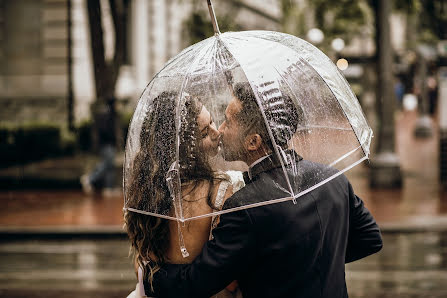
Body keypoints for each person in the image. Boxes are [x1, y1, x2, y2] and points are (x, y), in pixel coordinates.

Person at [144, 82, 383, 297]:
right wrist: (316, 260)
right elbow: (370, 238)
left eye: (228, 121)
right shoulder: (333, 179)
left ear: (253, 142)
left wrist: (148, 277)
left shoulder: (246, 206)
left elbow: (195, 283)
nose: (221, 130)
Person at [124, 91, 236, 297]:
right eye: (204, 133)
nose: (216, 133)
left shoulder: (146, 190)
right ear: (182, 148)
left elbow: (140, 264)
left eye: (212, 121)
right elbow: (230, 281)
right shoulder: (218, 192)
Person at [80, 98, 119, 196]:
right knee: (107, 164)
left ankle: (109, 188)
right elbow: (105, 131)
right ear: (113, 104)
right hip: (107, 144)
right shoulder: (108, 115)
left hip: (107, 144)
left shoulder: (110, 115)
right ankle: (90, 178)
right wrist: (111, 140)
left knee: (110, 166)